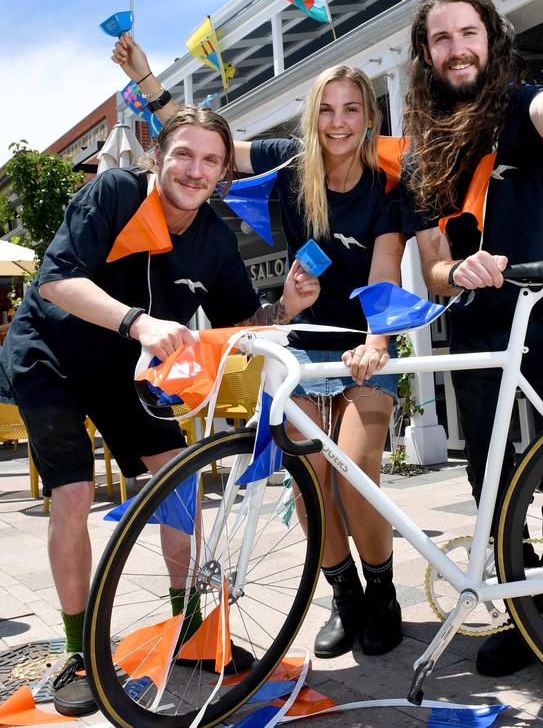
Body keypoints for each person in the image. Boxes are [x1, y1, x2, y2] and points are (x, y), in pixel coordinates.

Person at [0, 106, 319, 717]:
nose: (195, 170)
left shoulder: (216, 239)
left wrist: (287, 310)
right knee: (70, 495)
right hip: (50, 353)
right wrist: (138, 322)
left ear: (224, 174)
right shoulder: (115, 192)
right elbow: (53, 281)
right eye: (184, 155)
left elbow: (242, 327)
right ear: (158, 157)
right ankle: (76, 651)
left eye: (210, 161)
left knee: (179, 474)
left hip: (127, 363)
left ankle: (191, 628)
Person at [112, 35, 406, 659]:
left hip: (361, 352)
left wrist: (377, 343)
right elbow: (206, 149)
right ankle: (344, 596)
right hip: (299, 351)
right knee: (308, 484)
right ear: (313, 116)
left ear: (368, 117)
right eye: (327, 109)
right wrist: (146, 77)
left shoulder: (386, 186)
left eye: (351, 108)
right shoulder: (292, 165)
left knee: (356, 479)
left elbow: (385, 274)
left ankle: (382, 595)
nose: (337, 122)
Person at [400, 0, 543, 691]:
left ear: (491, 42)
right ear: (426, 54)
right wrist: (453, 276)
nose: (456, 48)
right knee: (489, 481)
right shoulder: (421, 151)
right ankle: (526, 619)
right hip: (478, 332)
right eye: (441, 38)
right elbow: (432, 267)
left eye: (468, 33)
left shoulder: (518, 108)